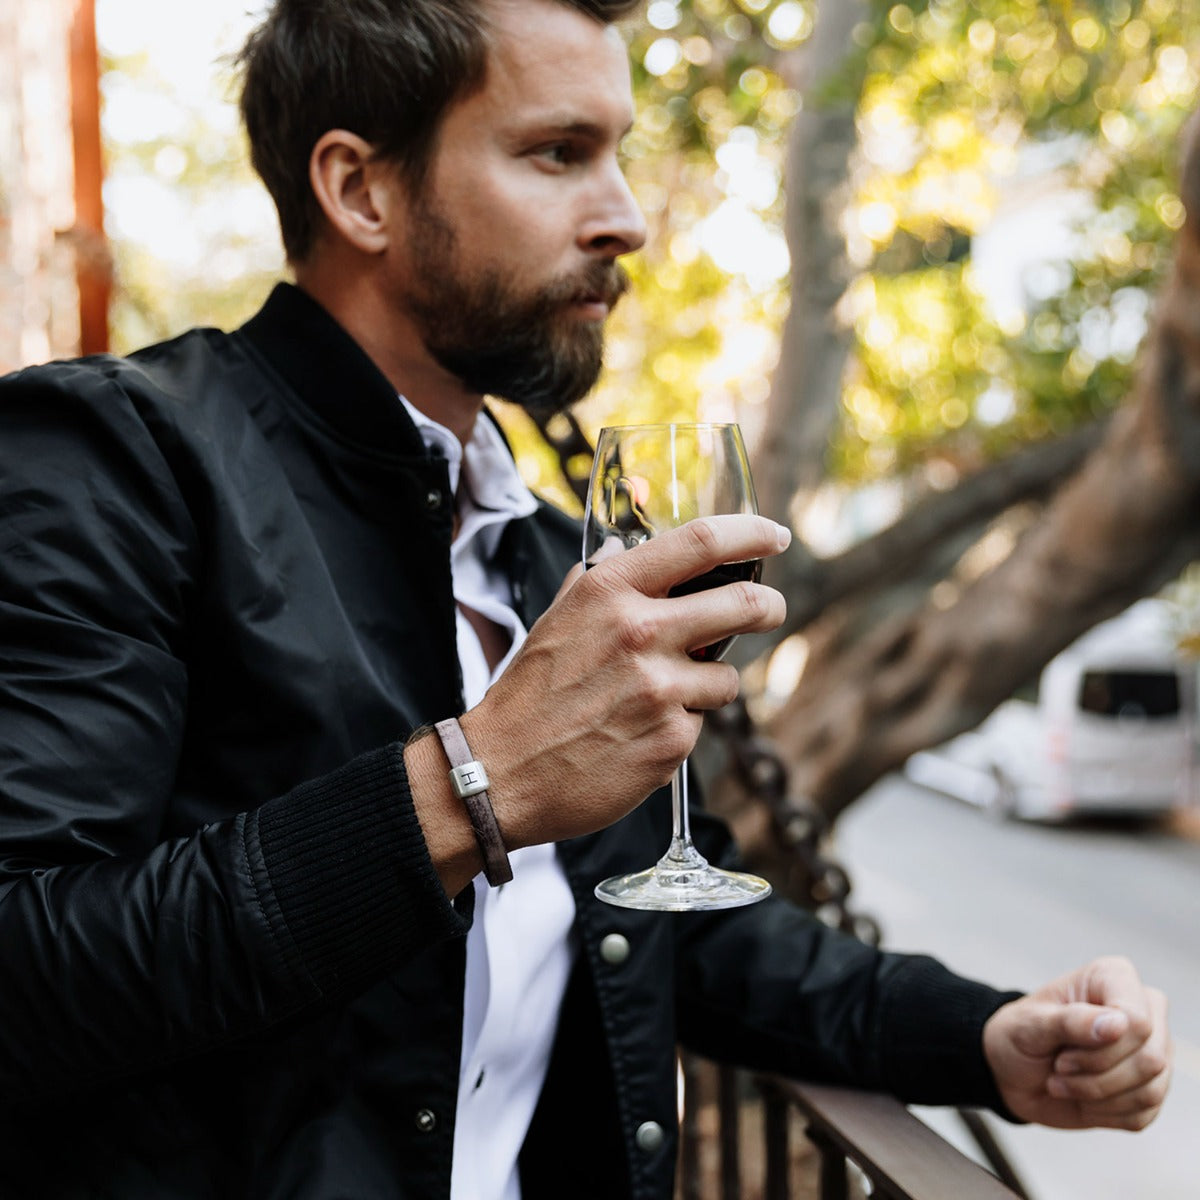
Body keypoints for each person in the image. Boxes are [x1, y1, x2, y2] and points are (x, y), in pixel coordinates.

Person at [0, 0, 1171, 1196]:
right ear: (361, 191)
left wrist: (981, 1037)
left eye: (617, 152)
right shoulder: (112, 461)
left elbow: (680, 928)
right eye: (558, 153)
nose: (627, 219)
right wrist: (478, 784)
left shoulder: (552, 554)